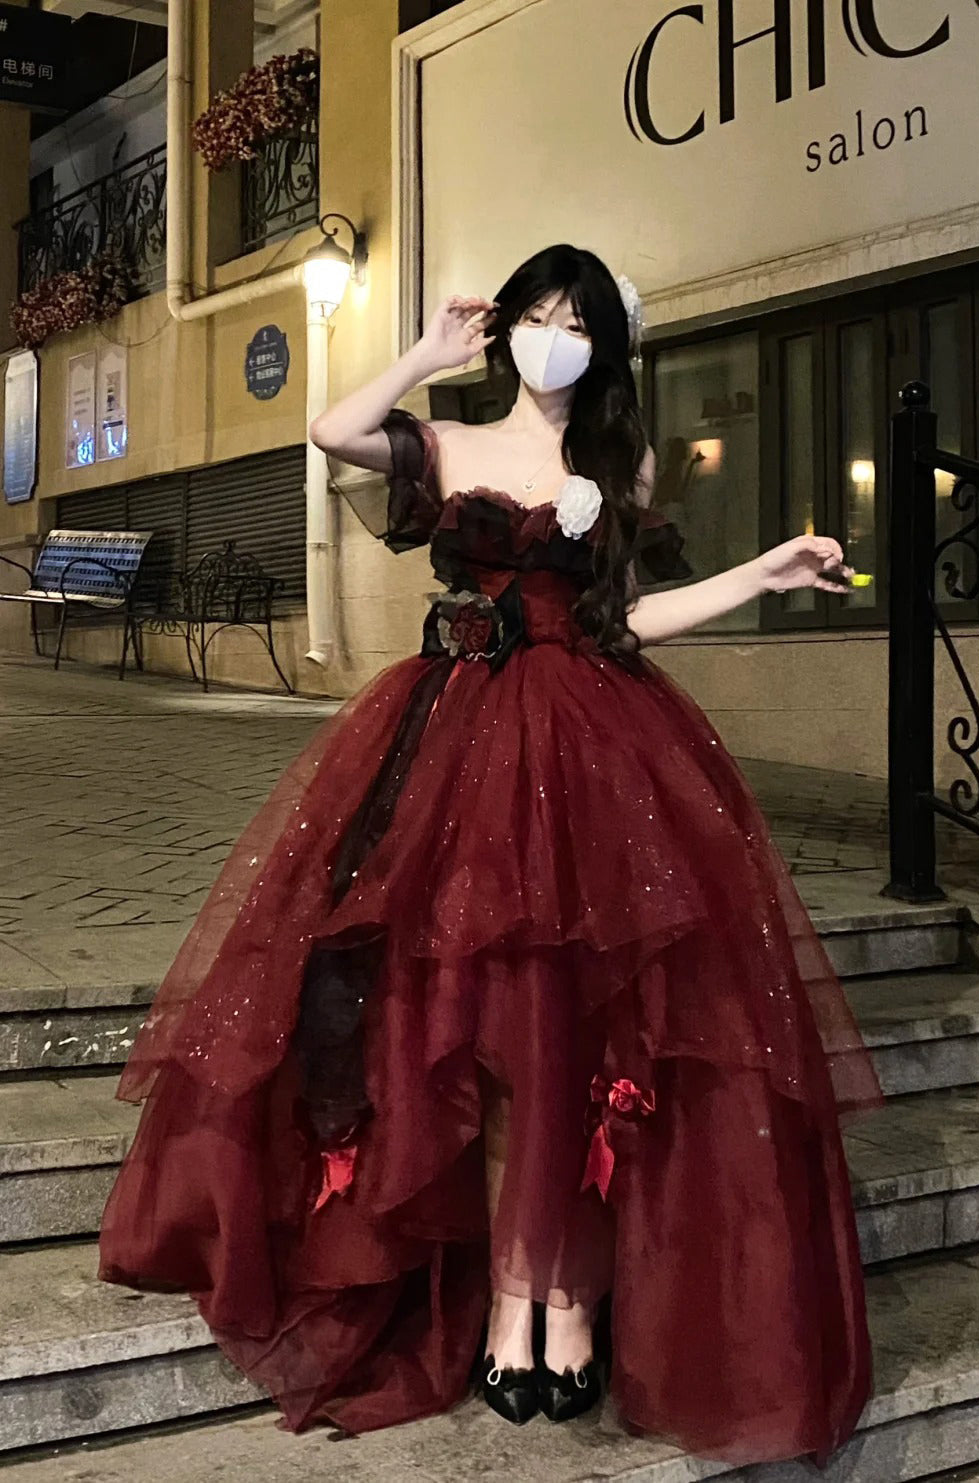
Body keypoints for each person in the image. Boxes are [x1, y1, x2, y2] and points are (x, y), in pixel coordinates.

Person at [98, 243, 883, 1466]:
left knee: (580, 1045)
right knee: (488, 1044)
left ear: (606, 346)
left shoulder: (619, 463)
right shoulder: (450, 441)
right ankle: (511, 1299)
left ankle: (568, 1301)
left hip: (592, 757)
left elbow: (628, 616)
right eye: (536, 316)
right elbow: (332, 430)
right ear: (508, 327)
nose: (552, 338)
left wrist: (764, 572)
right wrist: (421, 354)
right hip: (452, 755)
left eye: (577, 322)